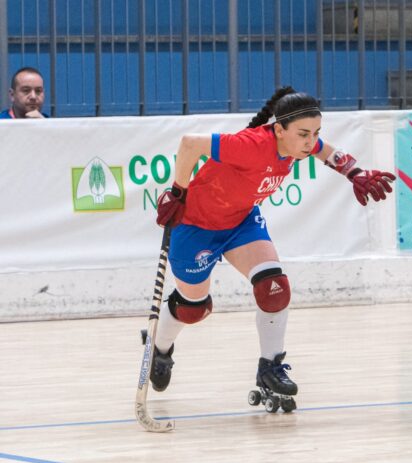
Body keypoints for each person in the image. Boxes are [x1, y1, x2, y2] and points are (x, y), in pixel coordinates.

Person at [150, 86, 395, 412]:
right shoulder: (250, 145)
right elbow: (189, 144)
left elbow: (324, 151)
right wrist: (178, 192)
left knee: (274, 288)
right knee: (194, 309)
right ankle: (160, 349)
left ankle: (270, 366)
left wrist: (354, 172)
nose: (310, 142)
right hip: (196, 226)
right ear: (278, 130)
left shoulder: (299, 144)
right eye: (304, 134)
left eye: (315, 133)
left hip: (241, 224)